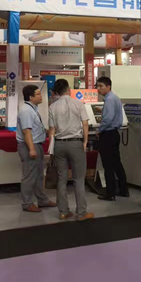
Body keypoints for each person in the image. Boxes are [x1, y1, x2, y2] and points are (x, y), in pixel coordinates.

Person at [48, 79, 94, 221]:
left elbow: (51, 130)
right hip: (75, 143)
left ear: (56, 92)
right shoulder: (78, 104)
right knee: (79, 179)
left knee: (61, 179)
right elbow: (85, 124)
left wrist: (51, 148)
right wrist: (85, 142)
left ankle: (63, 211)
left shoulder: (52, 107)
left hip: (59, 144)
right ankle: (81, 213)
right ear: (69, 89)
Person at [17, 85, 55, 213]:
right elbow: (26, 131)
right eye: (38, 94)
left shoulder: (33, 109)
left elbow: (34, 128)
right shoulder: (26, 111)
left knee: (39, 175)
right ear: (31, 97)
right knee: (29, 176)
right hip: (30, 146)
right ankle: (27, 203)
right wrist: (32, 149)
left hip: (36, 144)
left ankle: (42, 200)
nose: (41, 96)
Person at [96, 76, 128, 201]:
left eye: (101, 86)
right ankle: (123, 190)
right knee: (116, 163)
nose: (98, 89)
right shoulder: (115, 98)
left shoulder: (109, 99)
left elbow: (108, 119)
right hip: (114, 134)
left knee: (108, 165)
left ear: (108, 86)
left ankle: (110, 193)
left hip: (107, 135)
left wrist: (99, 130)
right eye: (97, 86)